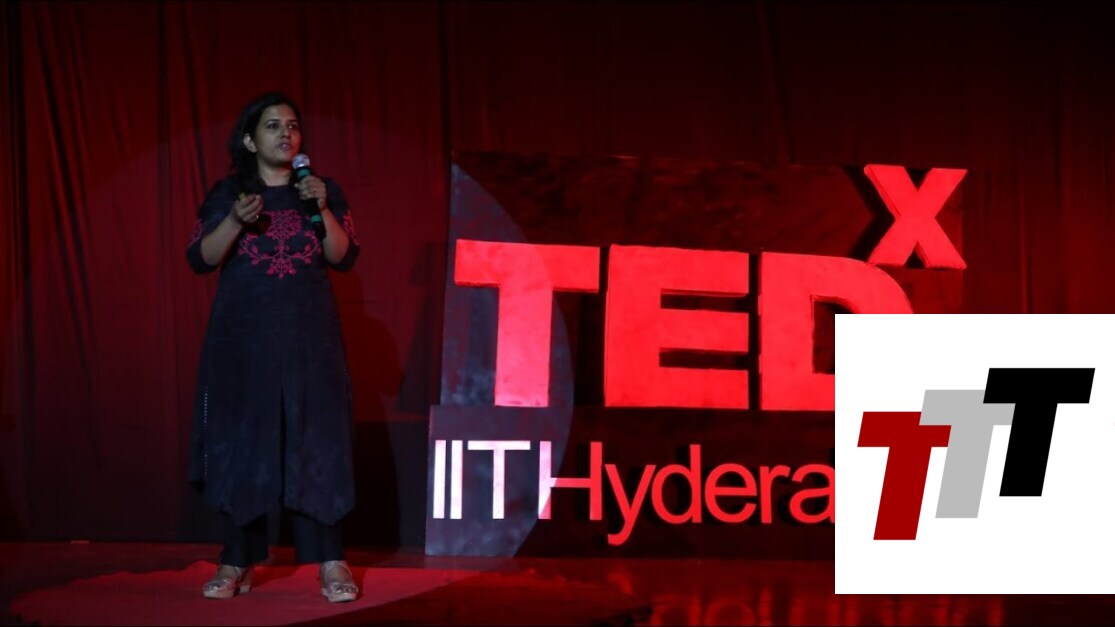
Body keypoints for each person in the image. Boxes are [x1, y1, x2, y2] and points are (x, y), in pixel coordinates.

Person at [185, 92, 361, 603]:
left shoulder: (319, 190)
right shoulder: (229, 193)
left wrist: (320, 206)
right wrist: (235, 220)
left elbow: (342, 256)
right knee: (242, 445)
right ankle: (236, 559)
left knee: (319, 443)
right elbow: (200, 258)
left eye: (292, 126)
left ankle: (331, 560)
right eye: (272, 125)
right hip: (243, 341)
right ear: (249, 140)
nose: (285, 133)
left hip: (311, 340)